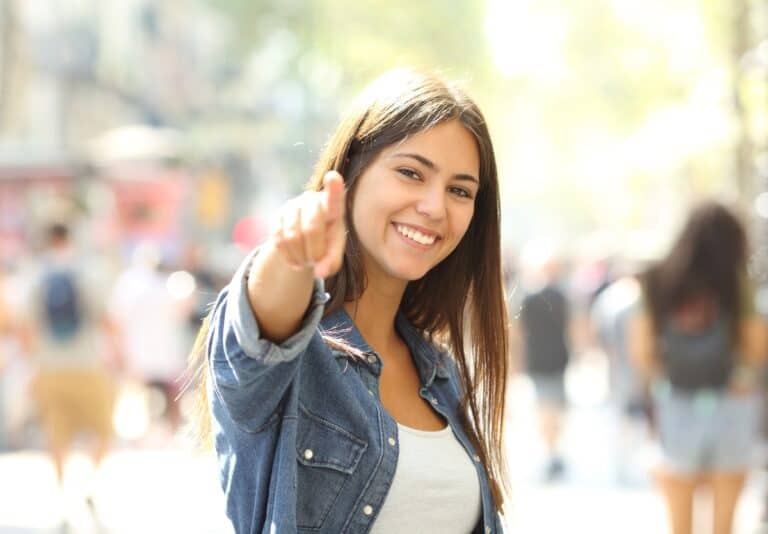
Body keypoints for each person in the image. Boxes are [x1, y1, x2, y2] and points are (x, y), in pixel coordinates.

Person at [188, 68, 510, 533]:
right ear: (352, 173)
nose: (435, 207)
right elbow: (265, 326)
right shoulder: (296, 362)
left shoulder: (441, 374)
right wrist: (291, 253)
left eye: (460, 190)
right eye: (410, 173)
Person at [629, 202, 767, 534]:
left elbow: (642, 350)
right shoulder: (737, 280)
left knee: (679, 521)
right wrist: (742, 375)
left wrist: (664, 378)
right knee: (724, 523)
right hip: (733, 401)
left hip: (676, 400)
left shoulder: (657, 278)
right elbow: (756, 345)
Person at [19, 223, 121, 526]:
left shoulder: (35, 276)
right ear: (71, 238)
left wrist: (32, 364)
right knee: (103, 430)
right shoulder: (88, 272)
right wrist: (119, 356)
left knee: (56, 433)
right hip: (88, 364)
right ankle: (87, 484)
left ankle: (63, 493)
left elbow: (26, 328)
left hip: (50, 366)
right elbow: (105, 319)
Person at [516, 245, 570, 481]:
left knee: (547, 405)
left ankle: (551, 450)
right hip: (554, 357)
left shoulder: (530, 297)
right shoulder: (559, 296)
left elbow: (517, 333)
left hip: (544, 358)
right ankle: (551, 451)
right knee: (552, 404)